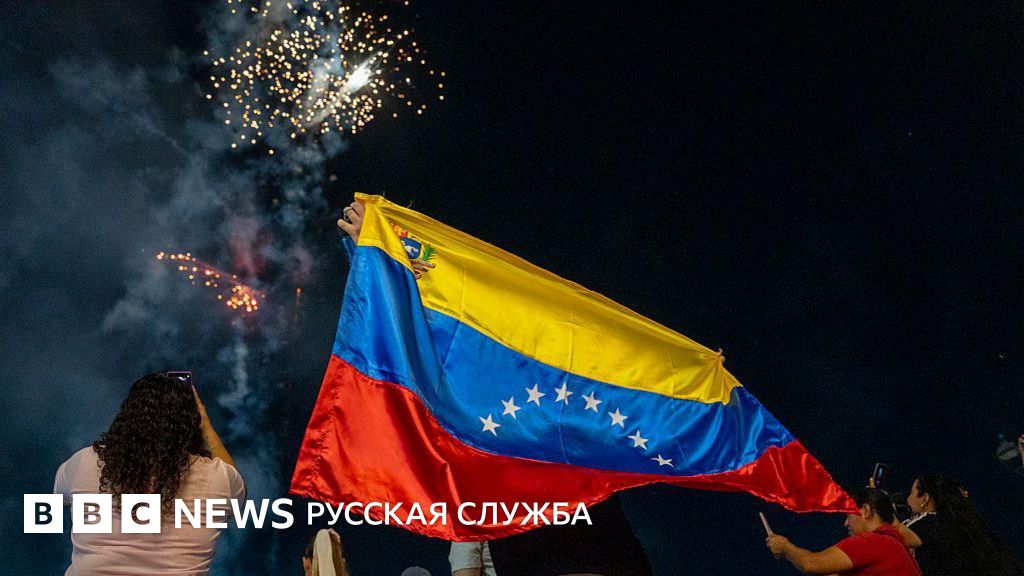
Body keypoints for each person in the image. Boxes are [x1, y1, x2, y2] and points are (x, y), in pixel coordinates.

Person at [54, 373, 245, 576]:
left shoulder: (84, 462)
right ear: (191, 424)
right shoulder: (218, 476)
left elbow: (59, 496)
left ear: (127, 417)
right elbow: (237, 492)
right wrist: (204, 421)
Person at [766, 487, 921, 575]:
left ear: (865, 511)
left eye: (848, 515)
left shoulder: (874, 542)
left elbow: (811, 563)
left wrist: (784, 547)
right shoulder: (895, 543)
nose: (845, 523)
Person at [905, 473, 1022, 576]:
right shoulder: (972, 529)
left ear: (924, 499)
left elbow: (896, 535)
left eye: (911, 493)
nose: (907, 499)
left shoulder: (925, 523)